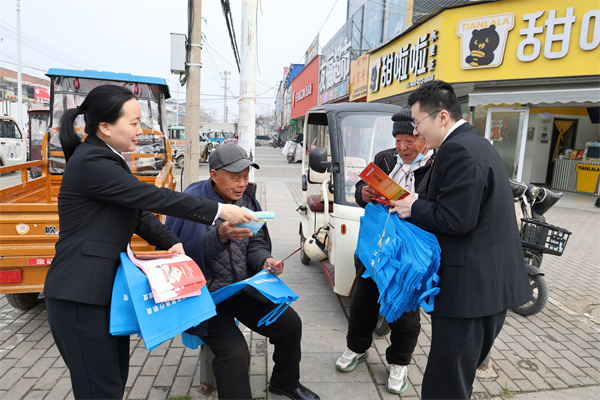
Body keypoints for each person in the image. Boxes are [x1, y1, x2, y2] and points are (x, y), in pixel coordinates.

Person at [44, 85, 256, 400]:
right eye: (133, 123)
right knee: (99, 390)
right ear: (106, 126)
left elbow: (138, 213)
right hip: (79, 296)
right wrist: (219, 210)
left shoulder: (106, 159)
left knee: (113, 382)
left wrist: (170, 241)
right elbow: (151, 197)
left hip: (99, 295)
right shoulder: (92, 162)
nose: (140, 130)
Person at [391, 80, 532, 399]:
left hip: (470, 292)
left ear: (442, 117)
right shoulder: (476, 143)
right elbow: (464, 206)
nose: (416, 131)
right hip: (486, 288)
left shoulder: (457, 150)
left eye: (418, 122)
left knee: (446, 384)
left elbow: (455, 220)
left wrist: (414, 206)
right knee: (455, 376)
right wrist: (419, 200)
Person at [166, 143, 319, 400]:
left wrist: (265, 260)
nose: (242, 184)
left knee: (290, 324)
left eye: (246, 177)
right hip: (208, 297)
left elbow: (255, 243)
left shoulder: (247, 200)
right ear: (214, 175)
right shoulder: (193, 202)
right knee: (236, 353)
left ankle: (285, 383)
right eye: (235, 178)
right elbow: (184, 257)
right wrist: (220, 236)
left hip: (244, 289)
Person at [335, 106, 434, 394]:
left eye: (410, 140)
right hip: (375, 246)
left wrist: (414, 203)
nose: (402, 147)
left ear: (424, 137)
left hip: (410, 253)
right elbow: (360, 190)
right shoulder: (385, 159)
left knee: (405, 310)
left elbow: (440, 209)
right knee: (363, 301)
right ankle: (357, 348)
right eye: (398, 140)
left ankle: (399, 362)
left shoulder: (438, 167)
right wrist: (363, 193)